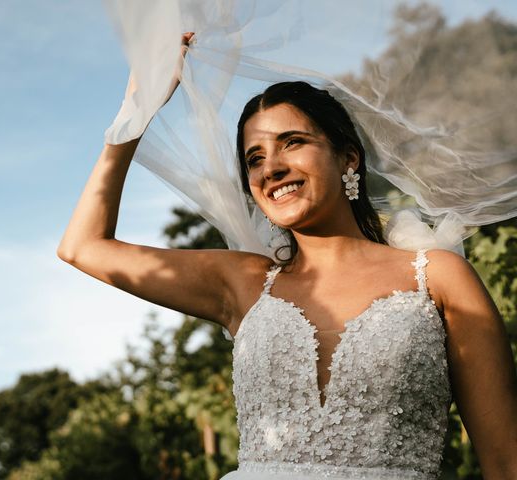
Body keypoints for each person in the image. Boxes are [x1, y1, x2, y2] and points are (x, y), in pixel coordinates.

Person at [57, 33, 517, 479]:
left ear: (348, 158)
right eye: (254, 158)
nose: (271, 166)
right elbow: (83, 246)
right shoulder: (244, 284)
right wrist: (133, 113)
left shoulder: (437, 277)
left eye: (292, 142)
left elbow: (505, 462)